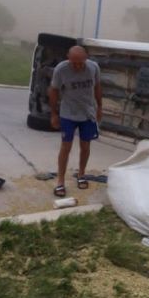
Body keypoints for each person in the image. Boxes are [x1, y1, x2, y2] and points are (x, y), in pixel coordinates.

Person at [49, 45, 102, 197]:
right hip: (68, 114)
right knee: (66, 147)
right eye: (74, 62)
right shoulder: (61, 70)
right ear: (68, 58)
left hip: (88, 114)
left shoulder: (93, 68)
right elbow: (53, 91)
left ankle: (81, 174)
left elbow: (97, 87)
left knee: (85, 146)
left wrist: (100, 107)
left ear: (86, 58)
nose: (78, 66)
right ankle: (60, 181)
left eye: (81, 62)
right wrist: (53, 113)